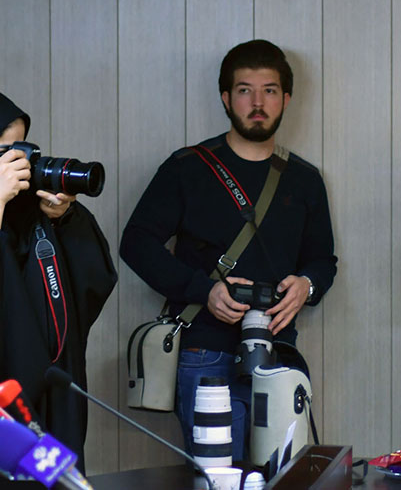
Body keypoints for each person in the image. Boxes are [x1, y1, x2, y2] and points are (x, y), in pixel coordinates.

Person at [120, 40, 337, 460]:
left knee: (281, 476)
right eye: (244, 90)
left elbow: (322, 260)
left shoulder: (305, 179)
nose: (257, 103)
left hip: (278, 351)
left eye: (269, 91)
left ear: (286, 99)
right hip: (204, 352)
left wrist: (306, 286)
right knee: (220, 477)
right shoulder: (187, 167)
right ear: (225, 98)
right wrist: (204, 291)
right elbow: (136, 242)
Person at [0, 88, 117, 467]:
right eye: (0, 153)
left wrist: (65, 219)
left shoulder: (28, 212)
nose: (15, 165)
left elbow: (93, 282)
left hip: (48, 396)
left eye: (19, 151)